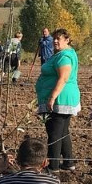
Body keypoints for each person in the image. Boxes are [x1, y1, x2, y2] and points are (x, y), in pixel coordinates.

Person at [35, 29, 80, 172]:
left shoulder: (64, 57)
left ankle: (53, 167)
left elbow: (64, 77)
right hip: (64, 98)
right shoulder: (63, 54)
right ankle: (68, 162)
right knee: (63, 131)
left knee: (54, 133)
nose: (55, 41)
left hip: (60, 99)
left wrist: (52, 97)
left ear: (67, 40)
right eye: (54, 38)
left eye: (58, 38)